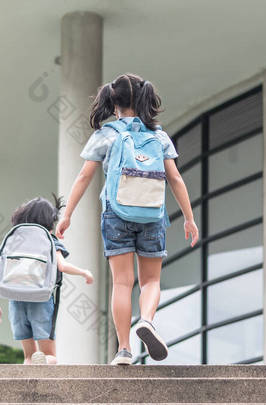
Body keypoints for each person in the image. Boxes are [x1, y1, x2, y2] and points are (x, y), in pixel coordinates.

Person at [56, 73, 199, 365]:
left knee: (122, 283)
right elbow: (175, 179)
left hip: (116, 214)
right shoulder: (158, 136)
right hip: (152, 214)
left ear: (113, 101)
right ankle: (146, 320)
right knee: (150, 281)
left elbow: (85, 176)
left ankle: (123, 349)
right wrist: (189, 218)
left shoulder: (107, 134)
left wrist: (67, 214)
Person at [0, 195, 94, 364]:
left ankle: (30, 376)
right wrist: (84, 272)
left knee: (28, 357)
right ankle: (45, 362)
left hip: (16, 300)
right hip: (41, 299)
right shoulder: (49, 240)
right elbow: (62, 266)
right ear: (50, 222)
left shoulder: (14, 241)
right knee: (49, 355)